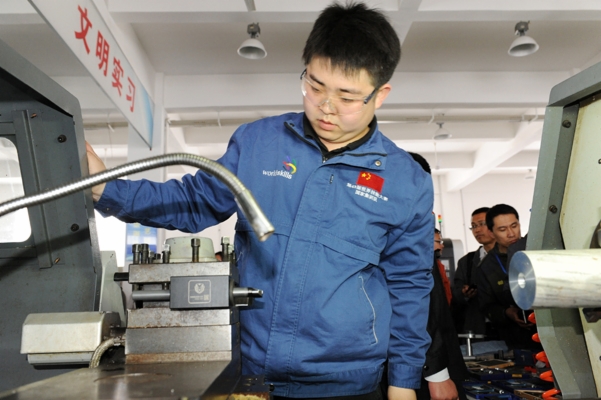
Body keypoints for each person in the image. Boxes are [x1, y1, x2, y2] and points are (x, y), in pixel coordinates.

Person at [87, 3, 434, 399]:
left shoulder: (407, 181)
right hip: (253, 375)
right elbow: (193, 201)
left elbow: (410, 285)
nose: (326, 107)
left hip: (349, 383)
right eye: (315, 86)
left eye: (347, 96)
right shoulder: (258, 144)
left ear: (380, 95)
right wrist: (105, 189)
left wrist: (403, 382)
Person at [473, 204, 535, 350]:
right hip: (517, 339)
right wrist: (507, 313)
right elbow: (487, 306)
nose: (511, 233)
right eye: (502, 229)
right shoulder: (486, 267)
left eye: (514, 226)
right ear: (491, 232)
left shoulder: (535, 252)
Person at [418, 229, 467, 400]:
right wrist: (437, 374)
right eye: (437, 241)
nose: (441, 246)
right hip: (428, 363)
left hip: (440, 355)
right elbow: (425, 313)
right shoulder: (416, 255)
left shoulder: (436, 265)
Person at [452, 207, 495, 336]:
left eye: (482, 224)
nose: (477, 230)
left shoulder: (511, 255)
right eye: (474, 226)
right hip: (479, 328)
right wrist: (464, 293)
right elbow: (455, 295)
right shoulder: (467, 262)